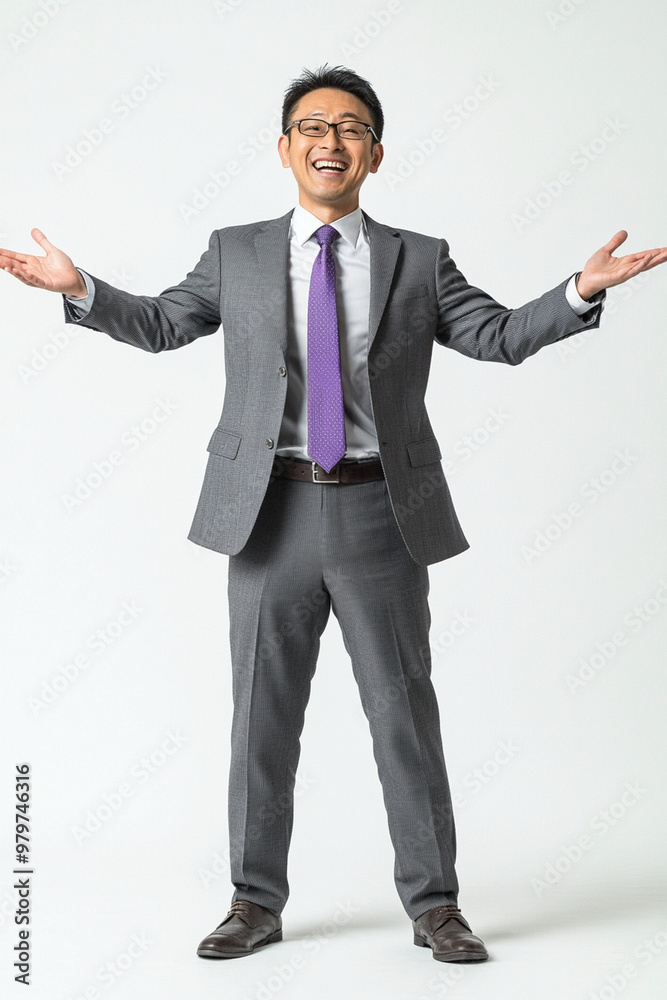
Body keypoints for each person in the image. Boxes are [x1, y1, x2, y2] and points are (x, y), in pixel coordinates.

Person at [2, 65, 666, 966]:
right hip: (266, 514)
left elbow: (497, 336)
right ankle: (253, 901)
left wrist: (579, 292)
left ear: (374, 153)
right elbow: (163, 324)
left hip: (378, 515)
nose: (330, 140)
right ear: (285, 149)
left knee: (403, 715)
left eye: (351, 128)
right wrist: (79, 288)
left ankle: (436, 907)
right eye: (312, 126)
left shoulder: (418, 258)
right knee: (260, 720)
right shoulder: (235, 250)